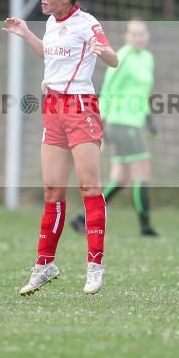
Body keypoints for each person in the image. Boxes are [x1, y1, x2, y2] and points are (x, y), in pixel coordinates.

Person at [2, 0, 119, 296]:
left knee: (89, 188)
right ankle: (44, 265)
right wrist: (25, 34)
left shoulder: (88, 23)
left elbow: (113, 58)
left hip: (81, 108)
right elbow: (51, 56)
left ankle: (94, 266)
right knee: (52, 191)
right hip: (52, 109)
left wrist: (105, 54)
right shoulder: (52, 24)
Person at [70, 19, 160, 237]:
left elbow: (140, 93)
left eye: (142, 33)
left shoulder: (148, 58)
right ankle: (146, 227)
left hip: (135, 122)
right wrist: (98, 123)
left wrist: (148, 119)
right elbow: (107, 91)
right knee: (142, 173)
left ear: (147, 35)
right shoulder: (123, 57)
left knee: (120, 178)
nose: (138, 37)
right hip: (121, 123)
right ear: (127, 36)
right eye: (134, 34)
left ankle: (82, 218)